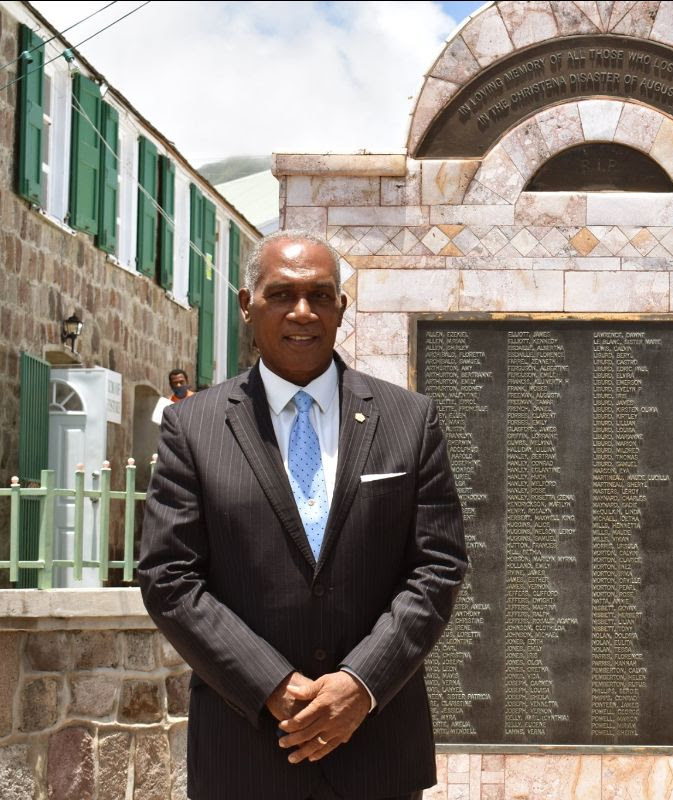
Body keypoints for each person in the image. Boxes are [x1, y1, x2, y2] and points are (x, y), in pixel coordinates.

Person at [139, 230, 467, 800]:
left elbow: (437, 566)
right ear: (247, 304)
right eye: (282, 294)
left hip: (377, 754)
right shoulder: (193, 428)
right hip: (245, 754)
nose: (302, 312)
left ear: (341, 306)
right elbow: (169, 577)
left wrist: (361, 684)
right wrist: (271, 684)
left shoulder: (410, 420)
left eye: (319, 295)